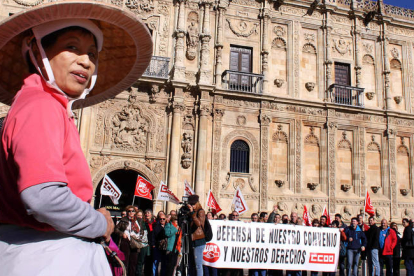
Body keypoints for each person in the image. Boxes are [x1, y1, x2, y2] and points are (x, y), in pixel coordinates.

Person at [0, 1, 152, 275]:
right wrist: (100, 222)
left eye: (93, 54)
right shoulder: (40, 104)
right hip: (45, 258)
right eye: (72, 47)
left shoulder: (48, 105)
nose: (86, 60)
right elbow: (43, 196)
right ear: (37, 50)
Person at [188, 194, 207, 276]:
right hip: (193, 240)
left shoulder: (201, 211)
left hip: (199, 240)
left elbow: (199, 224)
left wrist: (192, 213)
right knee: (192, 264)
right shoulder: (194, 212)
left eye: (193, 204)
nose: (192, 206)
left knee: (198, 265)